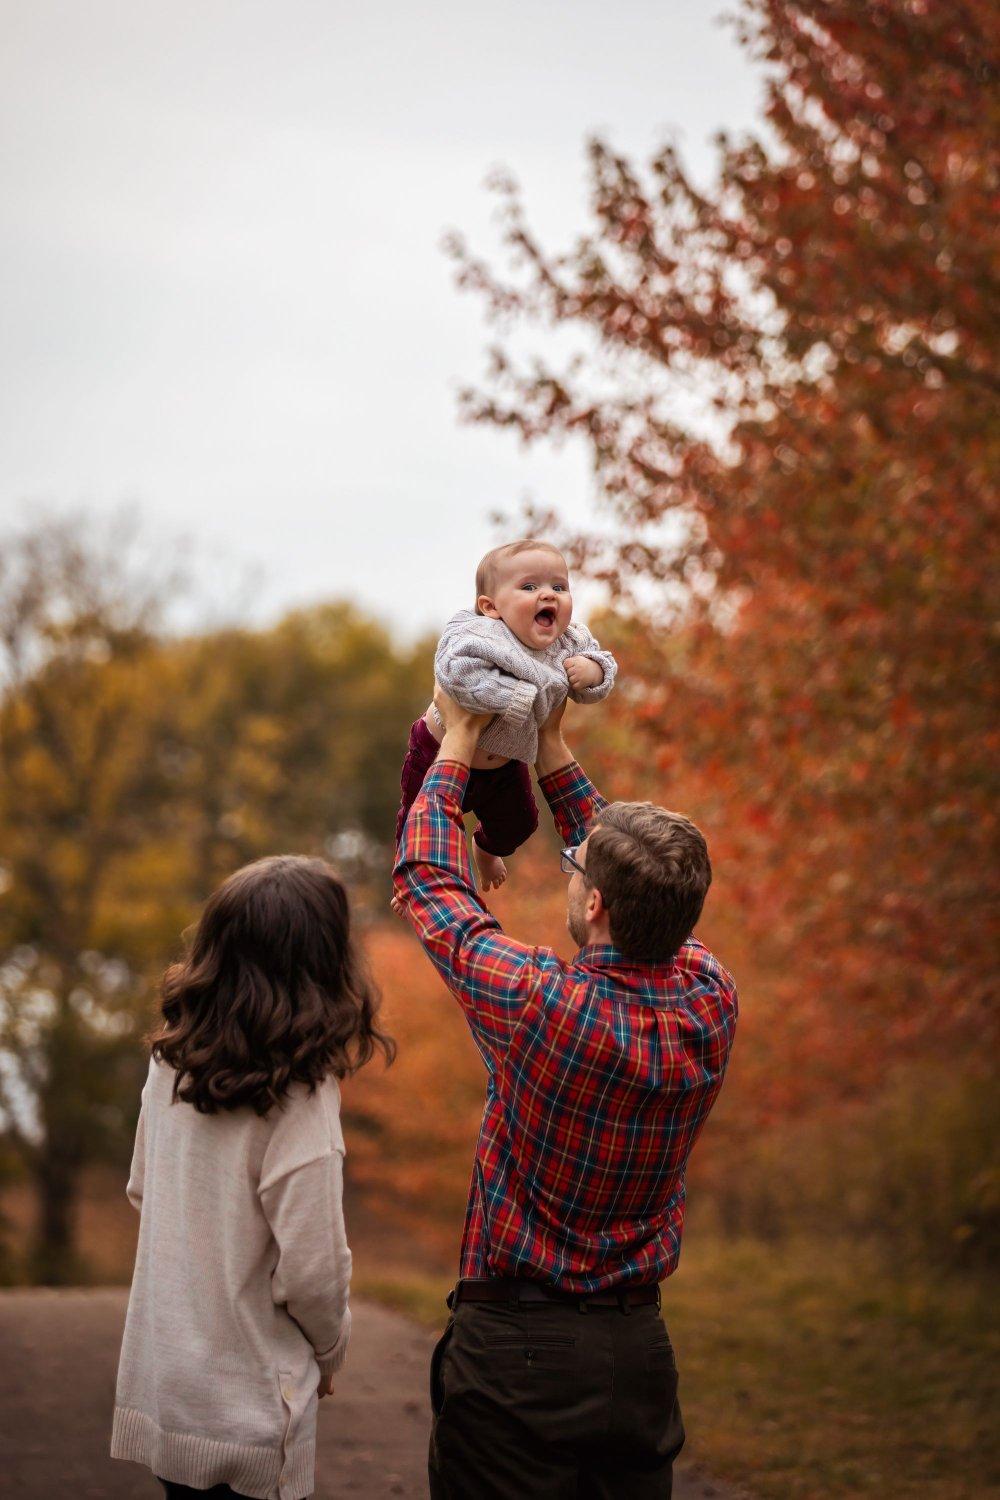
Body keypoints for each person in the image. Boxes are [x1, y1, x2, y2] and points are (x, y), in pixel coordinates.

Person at [393, 688, 738, 1499]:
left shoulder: (542, 1003)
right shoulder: (710, 999)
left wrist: (457, 742)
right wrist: (550, 747)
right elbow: (645, 875)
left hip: (516, 1353)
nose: (571, 858)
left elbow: (427, 882)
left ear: (592, 905)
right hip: (638, 1355)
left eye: (576, 865)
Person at [110, 855, 394, 1500]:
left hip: (169, 1386)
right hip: (252, 1405)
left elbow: (141, 1190)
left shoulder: (170, 1066)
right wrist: (330, 1353)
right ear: (324, 966)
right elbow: (314, 1272)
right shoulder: (301, 1098)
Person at [395, 538, 617, 893]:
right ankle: (408, 884)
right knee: (416, 817)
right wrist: (520, 698)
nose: (548, 595)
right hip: (440, 751)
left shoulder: (569, 642)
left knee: (521, 823)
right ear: (491, 606)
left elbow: (605, 663)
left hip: (506, 761)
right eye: (529, 587)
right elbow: (456, 673)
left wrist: (592, 672)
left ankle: (485, 848)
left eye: (559, 587)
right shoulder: (477, 632)